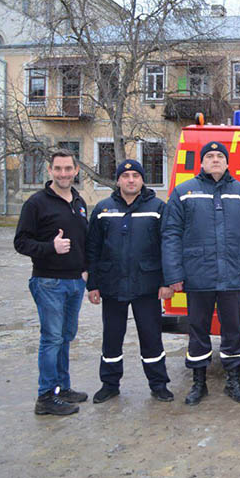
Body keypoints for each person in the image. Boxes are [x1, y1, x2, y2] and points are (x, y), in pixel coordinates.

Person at [162, 141, 240, 405]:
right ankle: (199, 383)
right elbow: (171, 234)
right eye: (210, 156)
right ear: (202, 162)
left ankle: (233, 381)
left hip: (233, 276)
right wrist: (174, 274)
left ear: (228, 162)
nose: (216, 159)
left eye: (220, 156)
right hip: (198, 277)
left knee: (232, 330)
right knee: (198, 329)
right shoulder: (184, 192)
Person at [86, 160, 173, 404]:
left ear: (143, 179)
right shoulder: (103, 209)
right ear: (118, 180)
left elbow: (167, 246)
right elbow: (92, 249)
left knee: (151, 338)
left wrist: (167, 282)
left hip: (147, 285)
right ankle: (110, 384)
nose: (131, 179)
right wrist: (92, 284)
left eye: (136, 175)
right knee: (112, 338)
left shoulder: (158, 208)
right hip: (112, 285)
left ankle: (159, 384)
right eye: (126, 176)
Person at [14, 149, 89, 415]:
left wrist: (86, 270)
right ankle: (45, 397)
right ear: (50, 172)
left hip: (74, 282)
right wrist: (50, 247)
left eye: (68, 168)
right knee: (52, 338)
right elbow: (20, 242)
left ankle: (62, 388)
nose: (63, 173)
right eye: (58, 169)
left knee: (65, 337)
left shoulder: (78, 201)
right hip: (48, 282)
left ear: (76, 170)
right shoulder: (36, 203)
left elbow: (83, 240)